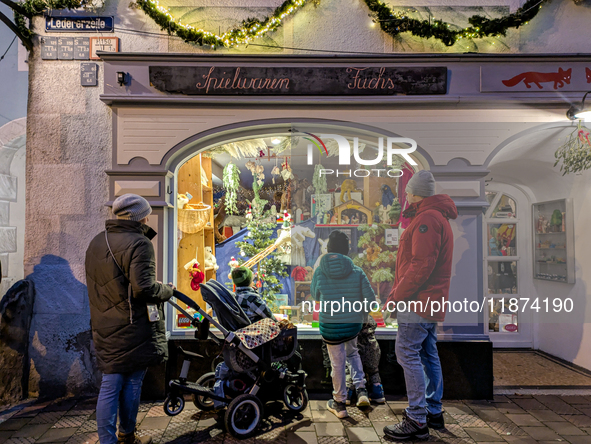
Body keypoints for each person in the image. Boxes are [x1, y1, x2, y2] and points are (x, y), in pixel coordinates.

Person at [85, 194, 174, 444]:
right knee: (132, 381)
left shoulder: (96, 241)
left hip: (104, 324)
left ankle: (107, 440)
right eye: (147, 213)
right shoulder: (139, 243)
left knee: (110, 383)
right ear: (141, 216)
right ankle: (126, 433)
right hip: (132, 324)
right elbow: (143, 289)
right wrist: (167, 289)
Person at [383, 170, 457, 440]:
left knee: (406, 354)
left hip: (418, 301)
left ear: (416, 192)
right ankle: (432, 411)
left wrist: (396, 297)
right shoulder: (436, 216)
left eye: (408, 190)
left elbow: (420, 266)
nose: (405, 194)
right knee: (427, 354)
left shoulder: (426, 218)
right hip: (430, 301)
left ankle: (416, 419)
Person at [311, 230, 376, 418]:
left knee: (337, 363)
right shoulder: (357, 271)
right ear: (346, 250)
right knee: (353, 352)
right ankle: (361, 390)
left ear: (329, 248)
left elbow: (315, 296)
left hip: (330, 326)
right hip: (352, 325)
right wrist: (360, 313)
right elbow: (371, 301)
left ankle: (340, 402)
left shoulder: (319, 271)